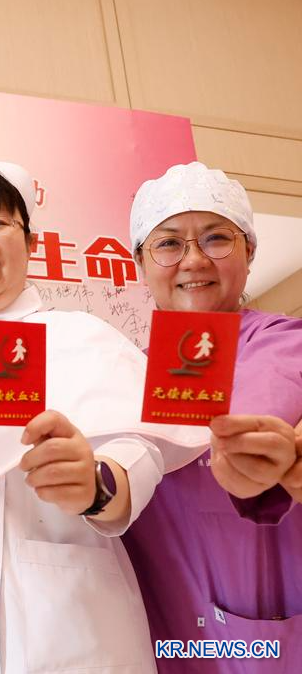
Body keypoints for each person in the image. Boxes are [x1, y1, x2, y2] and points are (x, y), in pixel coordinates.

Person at [0, 161, 205, 673]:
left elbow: (140, 449)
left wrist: (95, 486)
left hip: (64, 632)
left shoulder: (82, 336)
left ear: (30, 243)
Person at [122, 162, 302, 673]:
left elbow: (272, 388)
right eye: (169, 243)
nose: (194, 260)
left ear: (249, 252)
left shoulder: (285, 341)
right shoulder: (122, 371)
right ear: (141, 263)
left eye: (217, 238)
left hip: (266, 641)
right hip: (160, 630)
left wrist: (256, 447)